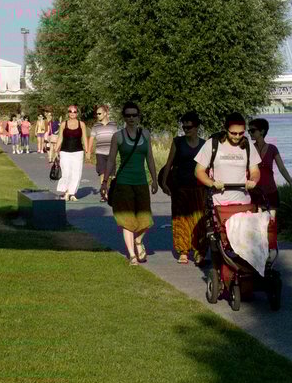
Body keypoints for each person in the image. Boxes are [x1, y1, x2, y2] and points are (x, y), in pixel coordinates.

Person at [101, 102, 158, 264]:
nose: (131, 118)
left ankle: (138, 241)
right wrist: (105, 181)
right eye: (128, 115)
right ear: (124, 118)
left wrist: (154, 180)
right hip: (123, 183)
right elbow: (111, 159)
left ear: (139, 117)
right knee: (126, 219)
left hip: (141, 182)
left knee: (145, 219)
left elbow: (150, 159)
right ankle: (132, 254)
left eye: (134, 115)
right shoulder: (118, 136)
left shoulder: (146, 134)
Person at [159, 111, 208, 265]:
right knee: (181, 219)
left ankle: (200, 251)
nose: (186, 129)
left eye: (189, 127)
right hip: (180, 187)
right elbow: (169, 163)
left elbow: (209, 167)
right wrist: (165, 182)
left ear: (197, 127)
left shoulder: (204, 144)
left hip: (199, 188)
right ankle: (183, 251)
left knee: (199, 220)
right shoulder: (178, 142)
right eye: (184, 127)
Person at [194, 113, 262, 210]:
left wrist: (253, 180)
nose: (237, 136)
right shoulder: (212, 144)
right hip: (218, 204)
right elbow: (198, 171)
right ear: (226, 129)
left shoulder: (248, 146)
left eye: (241, 133)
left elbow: (255, 171)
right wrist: (211, 183)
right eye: (233, 133)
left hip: (243, 203)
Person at [247, 118, 292, 219]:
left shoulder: (272, 148)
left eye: (253, 130)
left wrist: (291, 184)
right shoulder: (248, 148)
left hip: (270, 190)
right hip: (254, 191)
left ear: (262, 131)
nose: (250, 133)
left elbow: (282, 168)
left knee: (271, 222)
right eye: (249, 131)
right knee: (256, 224)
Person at [48, 105, 87, 201]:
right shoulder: (63, 124)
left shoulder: (81, 124)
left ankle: (72, 193)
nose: (72, 113)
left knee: (76, 172)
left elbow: (85, 138)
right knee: (65, 172)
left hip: (78, 151)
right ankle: (66, 192)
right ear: (68, 113)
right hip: (65, 151)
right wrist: (56, 151)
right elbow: (60, 138)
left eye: (74, 111)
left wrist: (87, 150)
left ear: (77, 113)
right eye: (70, 111)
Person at [90, 105, 119, 200]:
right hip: (100, 153)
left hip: (111, 153)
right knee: (102, 173)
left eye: (99, 113)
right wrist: (88, 151)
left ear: (105, 113)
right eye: (97, 114)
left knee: (111, 175)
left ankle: (111, 192)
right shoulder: (96, 126)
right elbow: (91, 138)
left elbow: (117, 138)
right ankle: (104, 194)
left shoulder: (113, 125)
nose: (97, 115)